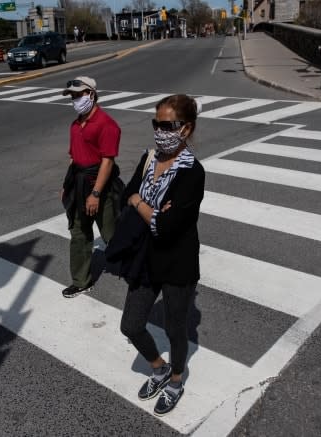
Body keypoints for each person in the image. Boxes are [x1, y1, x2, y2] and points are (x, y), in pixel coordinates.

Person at [116, 94, 205, 416]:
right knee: (131, 325)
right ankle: (159, 368)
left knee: (174, 328)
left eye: (167, 125)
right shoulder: (149, 157)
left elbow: (166, 227)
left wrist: (141, 203)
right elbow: (127, 193)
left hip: (178, 260)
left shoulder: (193, 172)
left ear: (186, 128)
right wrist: (148, 207)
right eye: (156, 123)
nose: (160, 131)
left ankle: (177, 379)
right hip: (145, 257)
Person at [60, 76, 123, 298]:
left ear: (92, 95)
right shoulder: (76, 124)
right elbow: (73, 158)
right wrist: (67, 185)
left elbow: (107, 161)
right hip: (78, 185)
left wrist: (95, 194)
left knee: (112, 234)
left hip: (100, 186)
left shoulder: (107, 125)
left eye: (79, 95)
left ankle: (138, 267)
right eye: (72, 96)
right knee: (79, 232)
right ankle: (81, 281)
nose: (75, 100)